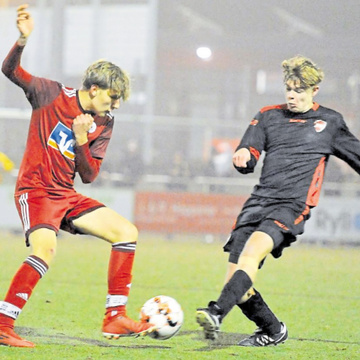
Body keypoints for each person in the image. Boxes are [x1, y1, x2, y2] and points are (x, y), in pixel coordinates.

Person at [0, 4, 154, 348]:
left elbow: (90, 175)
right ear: (95, 88)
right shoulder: (50, 94)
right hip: (36, 191)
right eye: (112, 98)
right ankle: (2, 322)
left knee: (126, 232)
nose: (114, 106)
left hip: (66, 195)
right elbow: (9, 71)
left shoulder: (104, 123)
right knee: (45, 250)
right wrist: (22, 40)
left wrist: (82, 141)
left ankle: (114, 318)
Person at [196, 55, 360, 346]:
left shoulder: (330, 122)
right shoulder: (268, 115)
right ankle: (273, 330)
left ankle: (216, 312)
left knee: (251, 255)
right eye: (289, 89)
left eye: (299, 90)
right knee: (237, 284)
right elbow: (249, 151)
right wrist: (243, 157)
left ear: (314, 91)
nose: (292, 95)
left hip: (291, 206)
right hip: (257, 203)